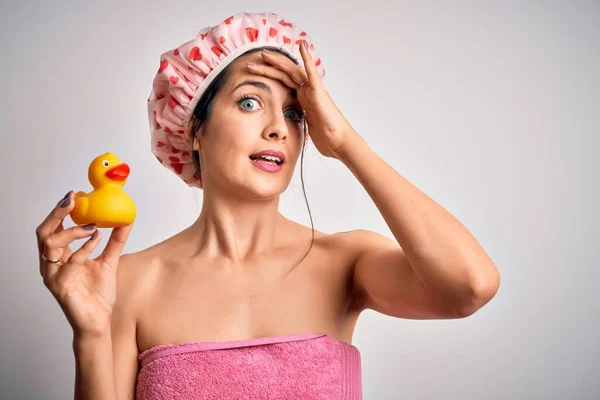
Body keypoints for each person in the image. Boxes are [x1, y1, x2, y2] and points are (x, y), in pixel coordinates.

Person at [35, 11, 500, 400]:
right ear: (194, 129)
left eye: (295, 113)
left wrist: (342, 142)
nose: (279, 127)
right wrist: (92, 334)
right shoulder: (128, 281)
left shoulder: (346, 263)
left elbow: (470, 287)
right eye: (251, 101)